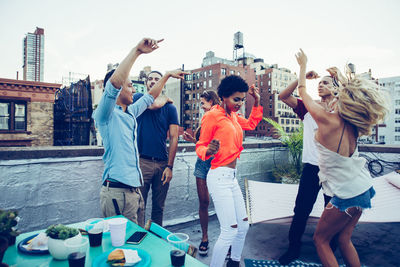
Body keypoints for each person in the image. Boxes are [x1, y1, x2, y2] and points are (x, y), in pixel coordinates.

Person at [295, 49, 388, 266]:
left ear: (342, 101)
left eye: (338, 96)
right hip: (363, 189)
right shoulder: (354, 125)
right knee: (344, 239)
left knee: (321, 240)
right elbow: (352, 95)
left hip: (347, 195)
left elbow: (302, 91)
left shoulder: (327, 120)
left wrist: (302, 65)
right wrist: (342, 80)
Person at [93, 38, 163, 227]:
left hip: (134, 192)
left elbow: (150, 97)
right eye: (130, 85)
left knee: (136, 244)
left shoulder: (130, 112)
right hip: (117, 193)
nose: (134, 90)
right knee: (121, 250)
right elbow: (113, 85)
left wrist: (167, 76)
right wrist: (137, 51)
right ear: (117, 90)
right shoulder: (105, 115)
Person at [196, 76, 263, 267]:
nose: (240, 104)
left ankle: (233, 263)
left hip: (232, 178)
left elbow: (250, 124)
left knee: (242, 226)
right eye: (236, 99)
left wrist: (256, 101)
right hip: (218, 177)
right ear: (223, 97)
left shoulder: (233, 117)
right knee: (229, 231)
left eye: (242, 100)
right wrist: (207, 151)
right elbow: (200, 144)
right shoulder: (212, 116)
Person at [278, 71, 337, 264]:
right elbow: (283, 96)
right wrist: (301, 78)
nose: (320, 85)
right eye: (319, 83)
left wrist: (343, 80)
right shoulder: (308, 107)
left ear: (336, 88)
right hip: (312, 168)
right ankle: (293, 249)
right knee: (301, 210)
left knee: (334, 212)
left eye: (326, 82)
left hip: (334, 169)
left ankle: (331, 251)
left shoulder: (341, 109)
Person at [134, 70, 185, 226]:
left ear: (162, 84)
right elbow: (153, 104)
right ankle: (140, 240)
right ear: (146, 83)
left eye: (157, 79)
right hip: (142, 162)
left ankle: (156, 240)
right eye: (150, 79)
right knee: (138, 206)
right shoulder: (138, 98)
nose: (153, 81)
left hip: (163, 163)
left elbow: (174, 137)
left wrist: (170, 166)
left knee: (159, 208)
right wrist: (163, 98)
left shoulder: (170, 109)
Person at [183, 90, 220, 256]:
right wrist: (193, 141)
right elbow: (203, 143)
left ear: (211, 101)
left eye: (203, 103)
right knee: (203, 202)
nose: (202, 107)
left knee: (220, 203)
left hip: (217, 164)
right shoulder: (205, 119)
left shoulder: (220, 116)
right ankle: (205, 237)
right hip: (202, 165)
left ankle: (228, 239)